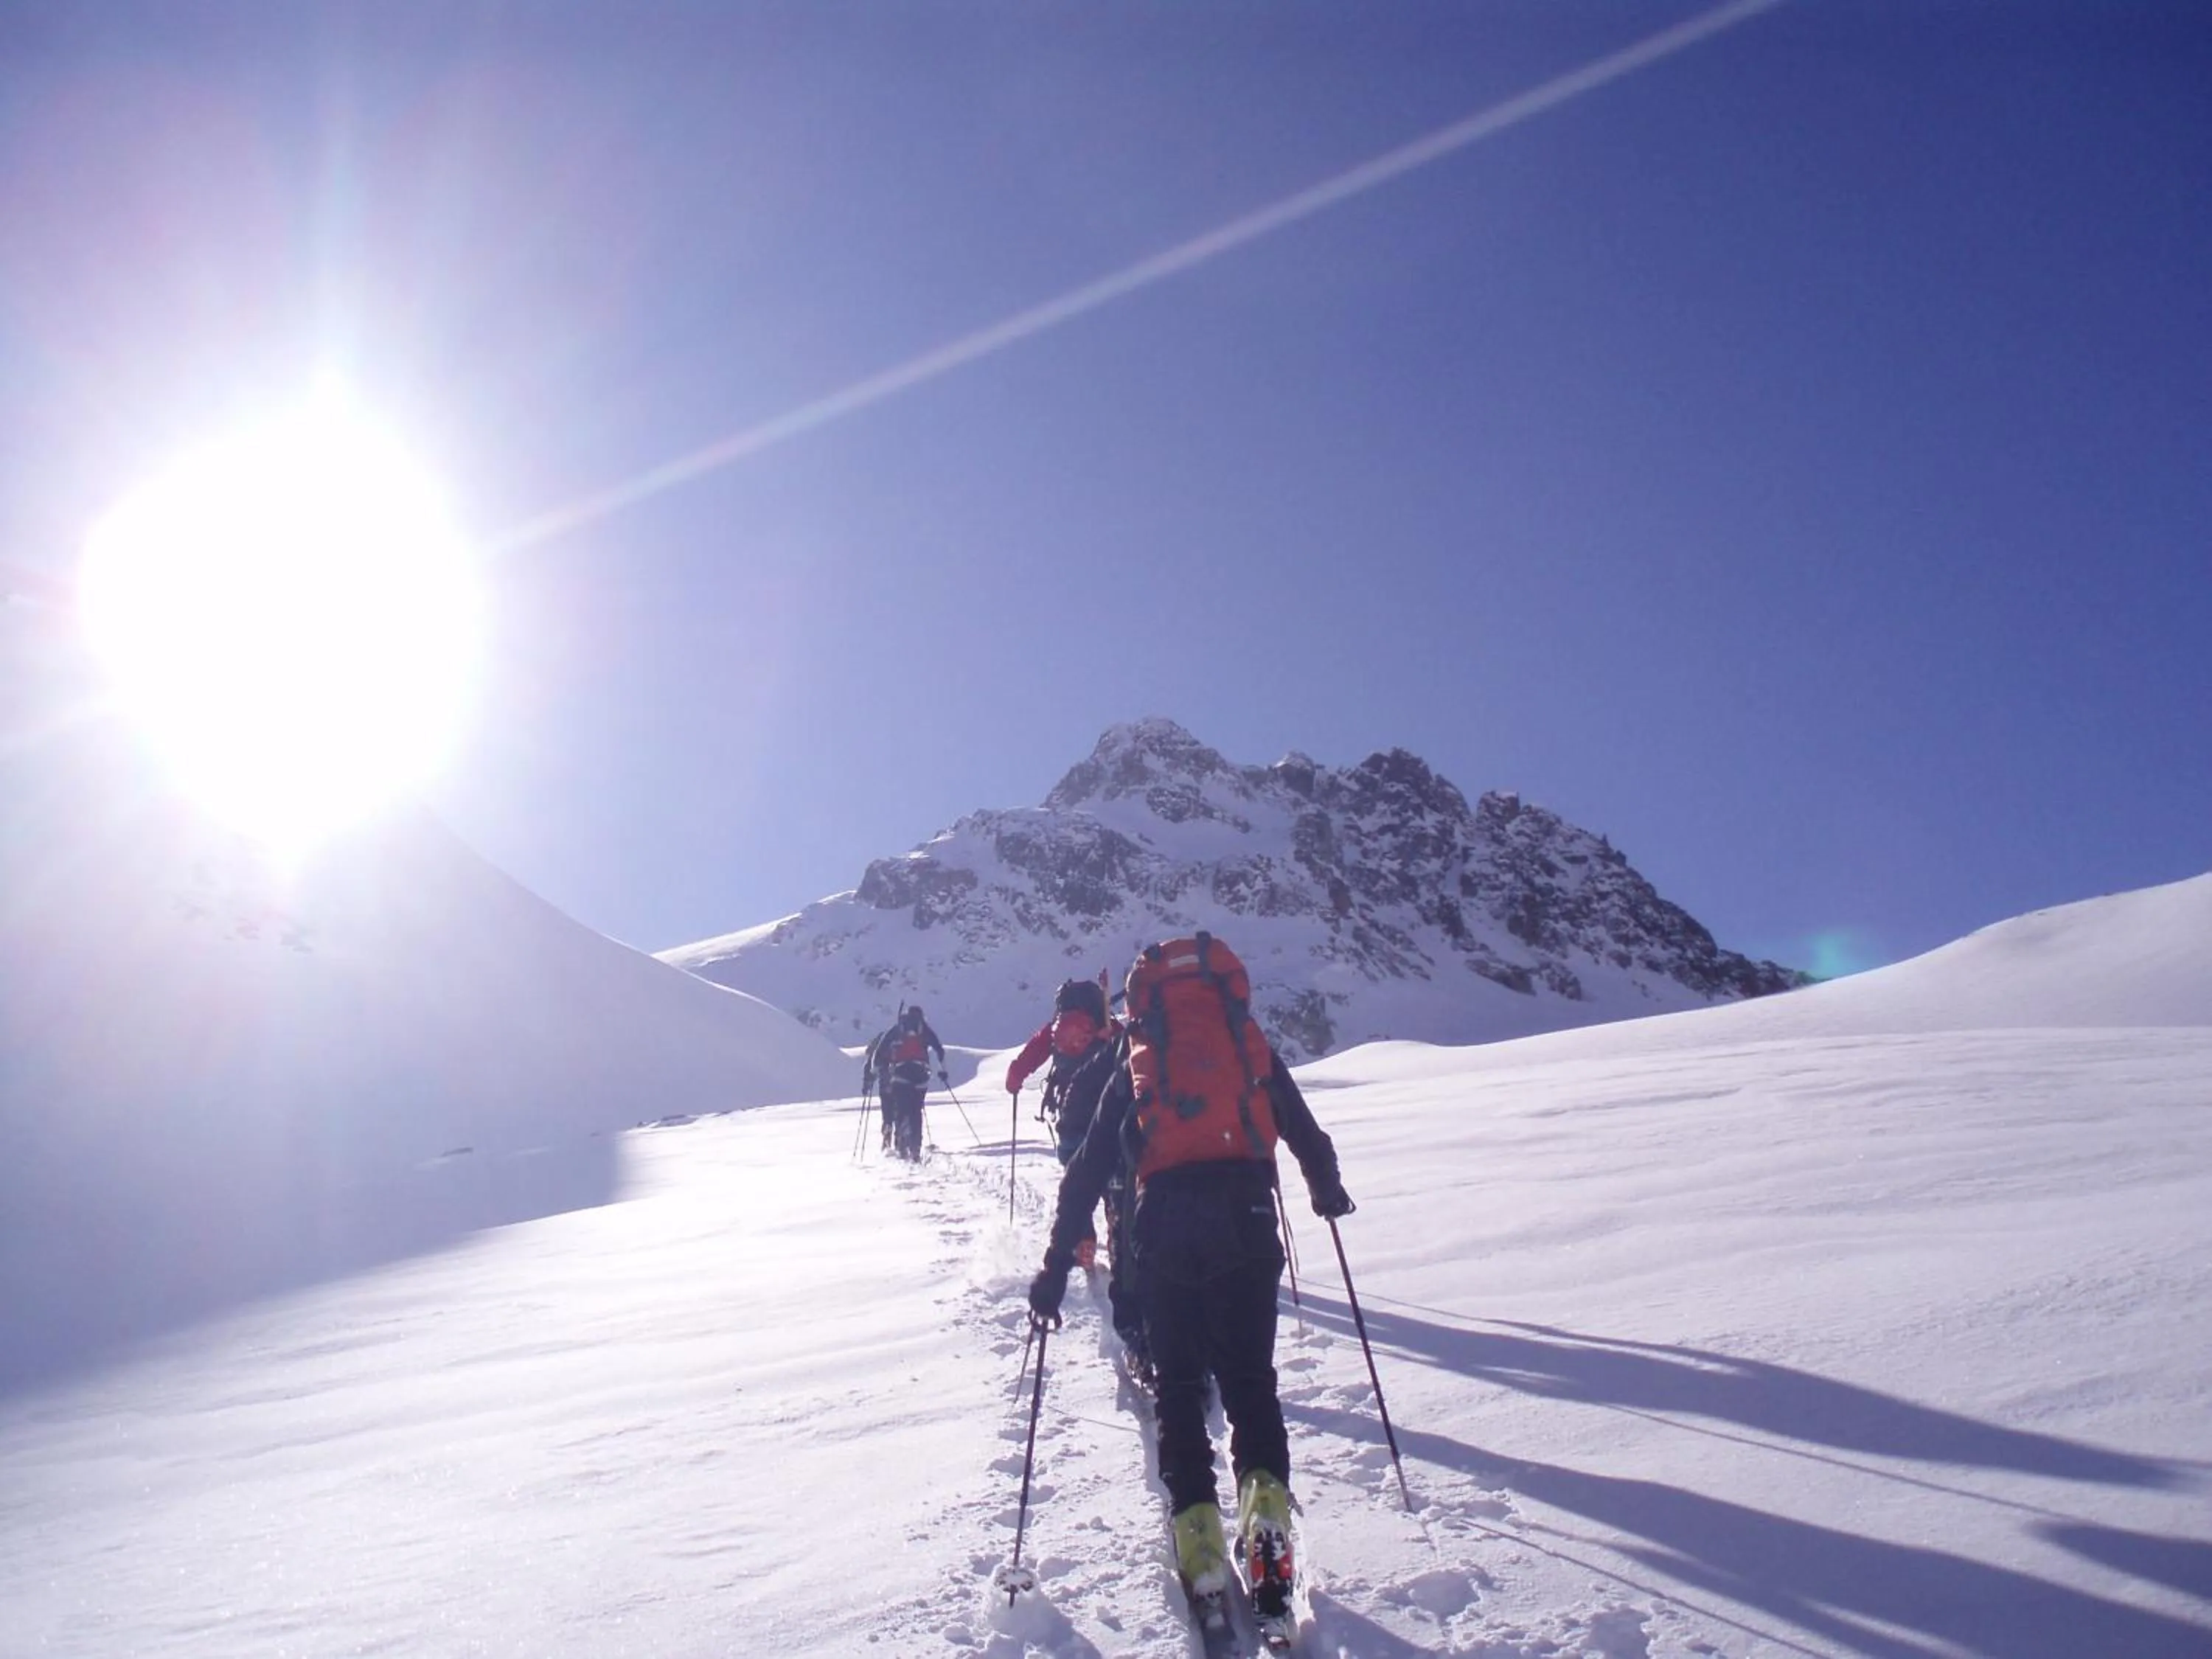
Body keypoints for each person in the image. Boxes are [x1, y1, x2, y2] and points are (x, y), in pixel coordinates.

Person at [1026, 933, 1353, 1628]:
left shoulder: (1136, 1058)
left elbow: (1086, 1170)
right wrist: (1326, 1192)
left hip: (1165, 1228)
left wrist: (1055, 1267)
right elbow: (1305, 1132)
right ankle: (1266, 1517)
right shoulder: (1244, 1044)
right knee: (1250, 1382)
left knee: (1178, 1390)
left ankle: (1199, 1540)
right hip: (1249, 1219)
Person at [1005, 975, 1125, 1282]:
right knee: (1116, 1180)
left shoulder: (1055, 1029)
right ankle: (1119, 1238)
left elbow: (1027, 1059)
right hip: (1112, 1118)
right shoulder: (1110, 1029)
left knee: (1079, 1182)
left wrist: (1015, 1080)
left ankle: (1083, 1238)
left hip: (1072, 1118)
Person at [863, 1005, 945, 1162]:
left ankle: (900, 1143)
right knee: (916, 1111)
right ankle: (916, 1147)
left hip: (900, 1075)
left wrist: (874, 1071)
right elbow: (939, 1049)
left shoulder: (897, 1030)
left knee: (901, 1110)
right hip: (921, 1076)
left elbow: (879, 1053)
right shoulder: (924, 1030)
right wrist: (943, 1071)